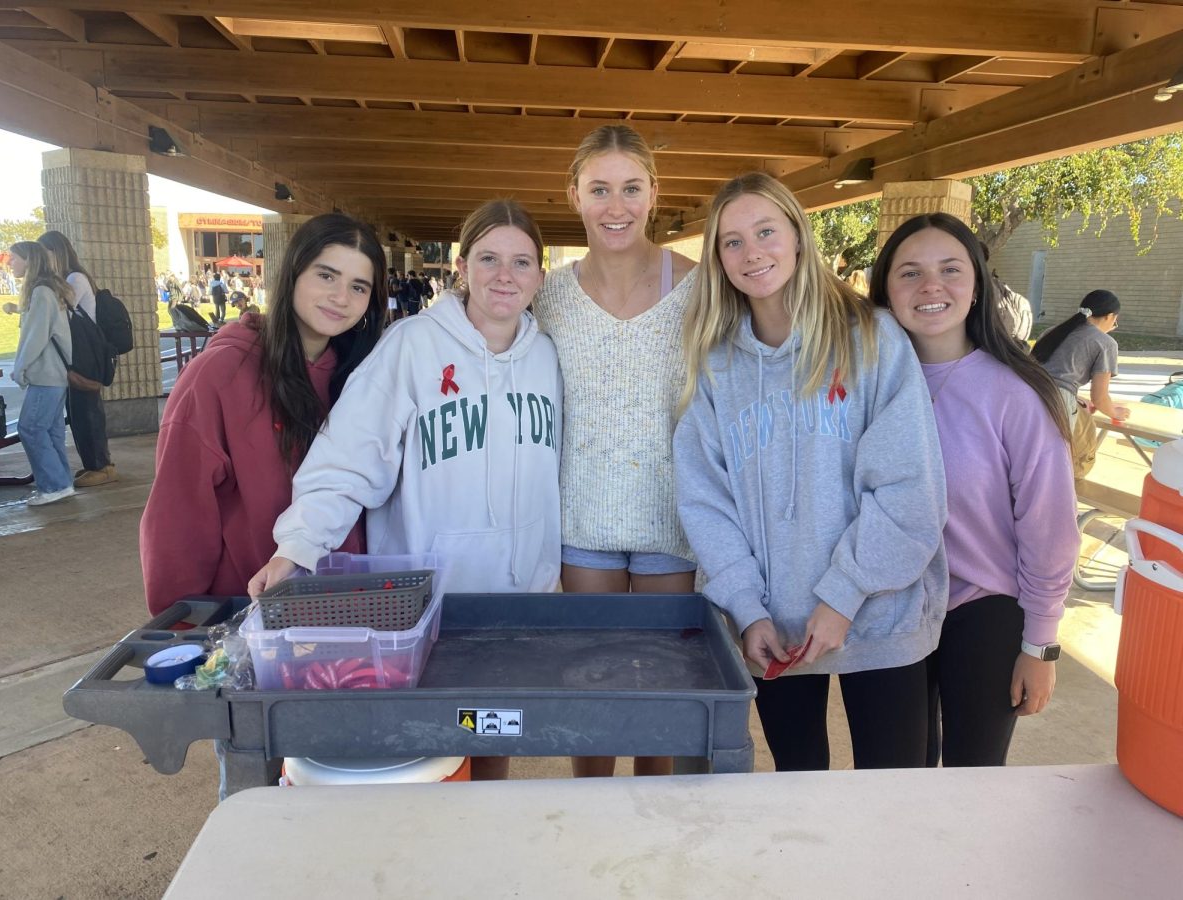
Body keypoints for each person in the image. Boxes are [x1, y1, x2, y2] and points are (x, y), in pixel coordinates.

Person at [249, 200, 563, 782]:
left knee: (494, 730)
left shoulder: (547, 357)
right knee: (433, 743)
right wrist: (296, 547)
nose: (505, 275)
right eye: (489, 258)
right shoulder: (410, 346)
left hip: (520, 600)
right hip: (431, 606)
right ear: (462, 267)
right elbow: (348, 457)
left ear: (540, 277)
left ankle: (483, 834)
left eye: (521, 263)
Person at [673, 173, 948, 772]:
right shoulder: (717, 366)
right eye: (733, 241)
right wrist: (747, 609)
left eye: (766, 231)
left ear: (798, 237)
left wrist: (844, 594)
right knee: (799, 793)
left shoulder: (872, 340)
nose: (753, 253)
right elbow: (706, 501)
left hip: (878, 616)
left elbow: (909, 487)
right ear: (718, 260)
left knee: (893, 799)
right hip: (775, 628)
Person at [871, 213, 1079, 767]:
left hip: (983, 610)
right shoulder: (865, 384)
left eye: (950, 269)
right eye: (909, 272)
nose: (930, 286)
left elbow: (1049, 527)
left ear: (978, 285)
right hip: (891, 606)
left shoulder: (1015, 394)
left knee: (974, 785)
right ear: (886, 290)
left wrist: (1040, 644)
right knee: (890, 784)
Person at [534, 124, 698, 779]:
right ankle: (592, 808)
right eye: (599, 189)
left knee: (662, 678)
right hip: (583, 519)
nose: (616, 205)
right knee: (591, 676)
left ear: (654, 193)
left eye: (630, 188)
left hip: (672, 518)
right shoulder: (547, 295)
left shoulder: (698, 287)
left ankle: (650, 815)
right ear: (573, 194)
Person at [140, 213, 387, 617]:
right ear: (292, 273)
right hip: (248, 613)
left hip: (345, 610)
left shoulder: (364, 376)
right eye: (326, 276)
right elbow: (177, 515)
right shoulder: (218, 375)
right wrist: (182, 624)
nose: (341, 297)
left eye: (358, 286)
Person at [38, 230, 116, 488]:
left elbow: (59, 311)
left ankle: (101, 465)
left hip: (86, 354)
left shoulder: (75, 278)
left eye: (45, 253)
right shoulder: (70, 278)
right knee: (78, 411)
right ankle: (94, 463)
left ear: (55, 252)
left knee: (87, 410)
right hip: (78, 353)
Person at [7, 241, 76, 506]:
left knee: (31, 428)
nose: (10, 263)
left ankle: (55, 485)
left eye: (14, 259)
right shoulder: (51, 289)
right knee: (51, 430)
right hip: (55, 374)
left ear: (28, 260)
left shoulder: (41, 292)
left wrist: (20, 368)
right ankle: (61, 482)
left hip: (46, 375)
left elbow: (35, 336)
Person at [1032, 289, 1127, 422]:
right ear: (1109, 316)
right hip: (1057, 405)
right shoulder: (1106, 343)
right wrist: (1115, 413)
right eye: (1114, 321)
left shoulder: (1051, 332)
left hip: (1025, 393)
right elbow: (1099, 398)